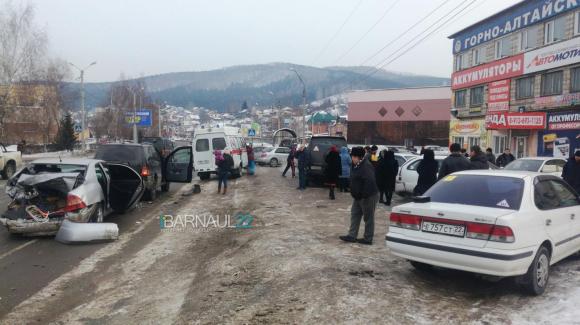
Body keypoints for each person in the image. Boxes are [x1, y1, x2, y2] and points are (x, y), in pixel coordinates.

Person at [339, 147, 378, 245]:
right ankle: (352, 235)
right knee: (355, 215)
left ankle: (368, 238)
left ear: (359, 157)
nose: (352, 158)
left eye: (353, 156)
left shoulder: (366, 166)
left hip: (368, 196)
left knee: (368, 217)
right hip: (357, 196)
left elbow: (370, 182)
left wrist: (363, 195)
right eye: (352, 156)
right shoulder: (355, 165)